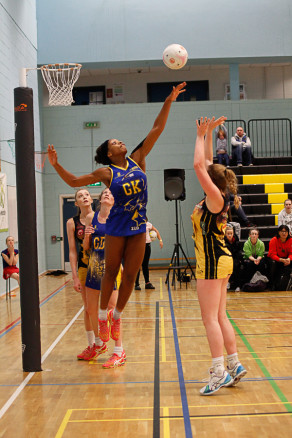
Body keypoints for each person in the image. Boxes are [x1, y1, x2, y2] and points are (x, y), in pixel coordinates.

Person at [47, 82, 186, 343]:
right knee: (110, 272)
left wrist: (169, 99)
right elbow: (75, 182)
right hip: (117, 226)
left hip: (138, 225)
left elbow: (157, 128)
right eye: (115, 142)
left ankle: (117, 316)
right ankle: (102, 315)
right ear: (110, 153)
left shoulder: (138, 158)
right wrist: (56, 165)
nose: (121, 142)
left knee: (131, 276)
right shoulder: (107, 172)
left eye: (120, 140)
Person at [191, 116, 247, 396]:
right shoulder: (218, 193)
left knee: (209, 318)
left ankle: (218, 373)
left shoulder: (215, 199)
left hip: (212, 263)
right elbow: (209, 163)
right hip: (221, 260)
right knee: (221, 315)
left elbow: (199, 164)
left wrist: (199, 136)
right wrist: (210, 133)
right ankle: (234, 364)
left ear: (210, 181)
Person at [83, 188, 126, 368]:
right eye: (104, 193)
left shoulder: (118, 219)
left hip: (111, 269)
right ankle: (100, 344)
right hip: (94, 267)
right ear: (100, 199)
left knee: (112, 312)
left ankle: (119, 351)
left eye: (110, 193)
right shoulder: (90, 218)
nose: (107, 194)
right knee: (91, 310)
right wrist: (87, 234)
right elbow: (86, 247)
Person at [66, 189, 96, 360]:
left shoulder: (101, 216)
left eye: (86, 194)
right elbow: (72, 251)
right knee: (88, 308)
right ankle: (91, 345)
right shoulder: (72, 222)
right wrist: (74, 276)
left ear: (91, 199)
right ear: (76, 203)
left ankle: (106, 344)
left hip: (101, 266)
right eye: (80, 196)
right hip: (85, 267)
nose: (84, 197)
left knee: (105, 307)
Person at [134, 220, 163, 290]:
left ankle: (147, 283)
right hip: (138, 245)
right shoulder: (135, 224)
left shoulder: (148, 224)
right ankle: (136, 284)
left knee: (145, 264)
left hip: (147, 246)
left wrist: (160, 240)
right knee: (138, 265)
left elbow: (156, 230)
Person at [267, 225, 292, 291]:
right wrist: (280, 260)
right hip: (276, 259)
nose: (284, 233)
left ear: (288, 233)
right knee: (273, 263)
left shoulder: (291, 240)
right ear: (278, 232)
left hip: (286, 259)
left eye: (286, 231)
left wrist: (289, 259)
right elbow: (272, 254)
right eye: (282, 231)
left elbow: (291, 253)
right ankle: (271, 285)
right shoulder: (274, 240)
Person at [224, 224, 242, 292]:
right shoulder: (223, 242)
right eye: (228, 234)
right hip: (226, 258)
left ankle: (237, 285)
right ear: (225, 234)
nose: (230, 235)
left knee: (236, 265)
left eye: (231, 233)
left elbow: (239, 251)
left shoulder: (236, 240)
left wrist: (238, 259)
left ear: (233, 234)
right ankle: (227, 282)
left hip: (235, 258)